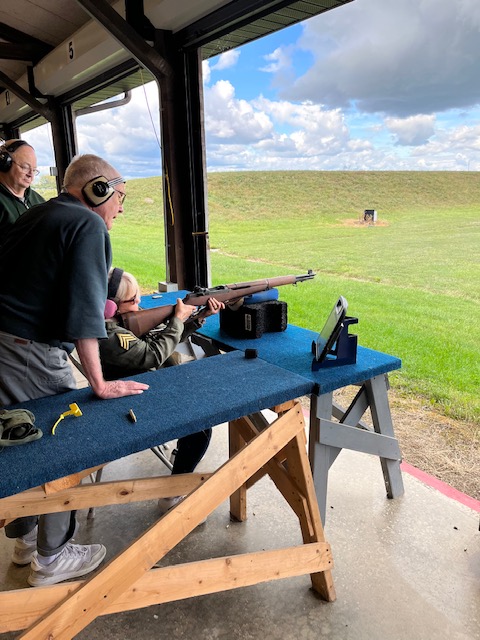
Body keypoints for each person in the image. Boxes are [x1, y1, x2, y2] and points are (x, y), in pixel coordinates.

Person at [0, 154, 149, 587]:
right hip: (30, 351)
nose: (120, 208)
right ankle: (53, 558)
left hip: (6, 345)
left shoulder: (43, 212)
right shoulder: (88, 225)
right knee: (66, 445)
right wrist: (99, 383)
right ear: (98, 189)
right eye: (119, 197)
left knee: (23, 445)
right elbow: (86, 311)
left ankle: (27, 541)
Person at [99, 268, 224, 514]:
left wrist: (197, 318)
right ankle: (172, 496)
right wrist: (176, 320)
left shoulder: (116, 323)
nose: (140, 303)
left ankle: (182, 460)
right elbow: (152, 355)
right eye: (133, 300)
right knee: (200, 427)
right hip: (129, 402)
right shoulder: (111, 335)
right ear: (111, 306)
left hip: (139, 385)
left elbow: (160, 343)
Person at [0, 139, 45, 237]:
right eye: (25, 167)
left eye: (34, 170)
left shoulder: (38, 200)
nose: (31, 175)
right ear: (5, 163)